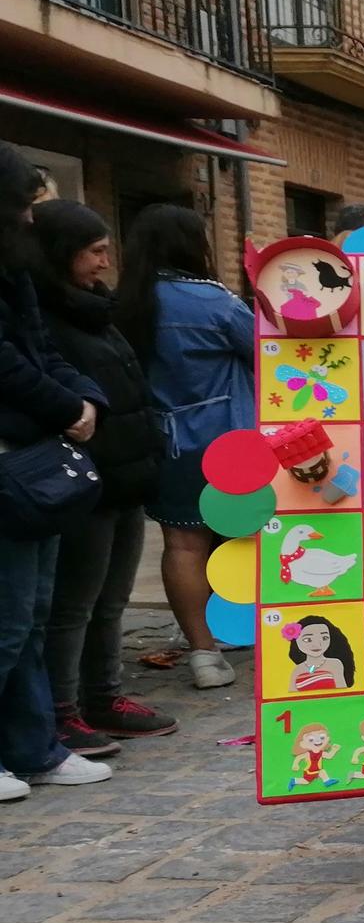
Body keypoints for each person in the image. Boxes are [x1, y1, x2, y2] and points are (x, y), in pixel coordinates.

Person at [30, 199, 176, 753]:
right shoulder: (44, 316)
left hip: (124, 478)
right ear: (61, 254)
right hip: (82, 484)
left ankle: (103, 695)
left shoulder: (94, 308)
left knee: (111, 600)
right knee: (74, 605)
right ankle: (62, 709)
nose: (105, 262)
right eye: (94, 251)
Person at [0, 144, 113, 799]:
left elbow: (39, 351)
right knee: (9, 619)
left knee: (33, 615)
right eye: (26, 203)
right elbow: (7, 365)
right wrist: (65, 402)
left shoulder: (15, 270)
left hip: (34, 463)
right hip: (9, 462)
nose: (32, 217)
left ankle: (33, 747)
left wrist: (85, 398)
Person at [116, 204, 255, 690]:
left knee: (182, 543)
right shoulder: (212, 301)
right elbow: (265, 353)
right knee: (250, 537)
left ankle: (202, 652)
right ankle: (255, 634)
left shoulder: (127, 302)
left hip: (164, 443)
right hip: (231, 440)